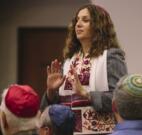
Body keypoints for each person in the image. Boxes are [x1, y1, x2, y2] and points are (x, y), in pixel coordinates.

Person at [41, 4, 128, 135]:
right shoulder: (70, 61)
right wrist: (51, 91)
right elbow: (50, 108)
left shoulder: (110, 56)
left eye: (85, 20)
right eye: (77, 20)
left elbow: (121, 100)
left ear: (99, 26)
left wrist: (87, 94)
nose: (78, 24)